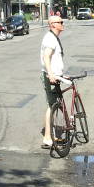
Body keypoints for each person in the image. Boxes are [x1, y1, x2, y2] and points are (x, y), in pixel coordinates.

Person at [40, 15, 65, 149]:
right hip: (51, 77)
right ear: (53, 25)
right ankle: (47, 138)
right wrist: (50, 74)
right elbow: (46, 57)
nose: (62, 23)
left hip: (56, 76)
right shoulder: (50, 38)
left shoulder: (54, 37)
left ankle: (53, 135)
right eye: (60, 22)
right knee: (52, 105)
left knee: (55, 104)